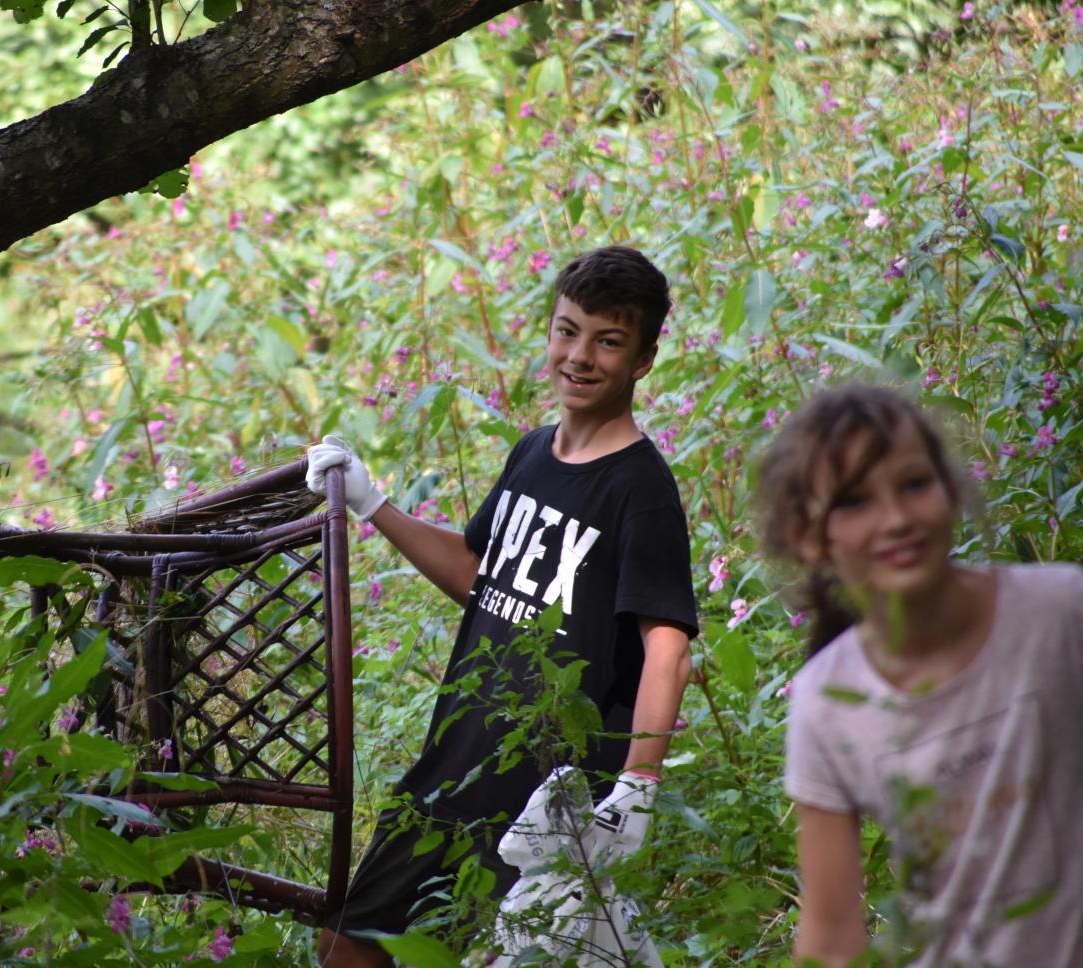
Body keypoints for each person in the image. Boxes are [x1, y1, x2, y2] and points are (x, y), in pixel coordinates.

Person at [307, 246, 699, 967]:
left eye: (609, 341)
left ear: (643, 359)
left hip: (544, 796)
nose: (580, 356)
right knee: (347, 944)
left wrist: (639, 783)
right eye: (567, 331)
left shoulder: (640, 490)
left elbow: (667, 647)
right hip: (455, 764)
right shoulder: (532, 453)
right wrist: (373, 502)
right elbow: (477, 573)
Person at [758, 385, 1083, 966]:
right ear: (809, 536)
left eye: (914, 484)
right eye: (855, 501)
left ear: (950, 490)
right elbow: (831, 940)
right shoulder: (826, 704)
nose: (897, 519)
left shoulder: (1061, 612)